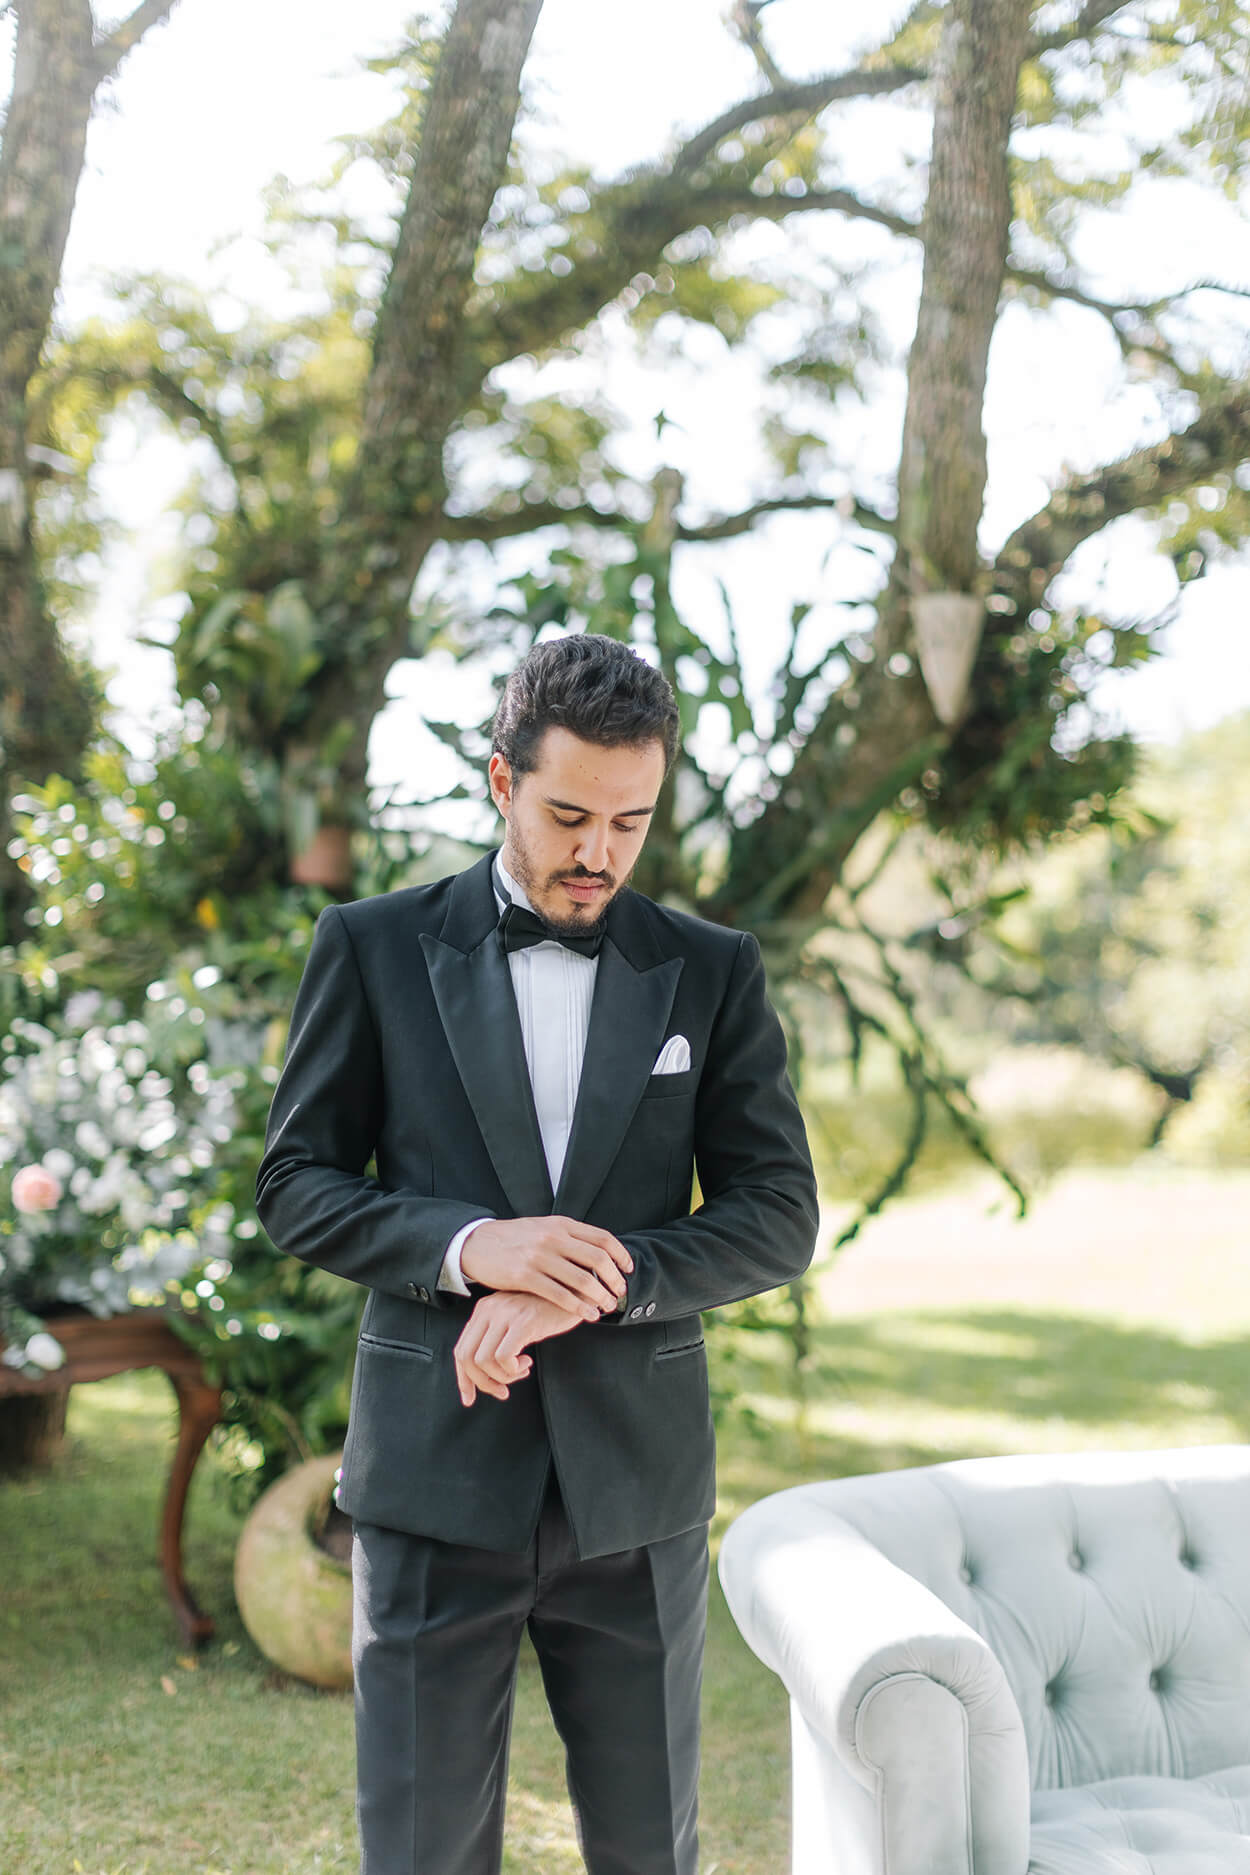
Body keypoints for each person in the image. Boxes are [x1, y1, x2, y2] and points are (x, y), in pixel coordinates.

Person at [255, 632, 819, 1875]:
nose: (599, 853)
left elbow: (777, 1212)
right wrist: (473, 1248)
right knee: (420, 1852)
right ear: (503, 782)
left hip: (635, 1494)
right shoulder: (372, 946)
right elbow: (294, 1186)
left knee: (647, 1852)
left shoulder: (711, 971)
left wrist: (587, 1283)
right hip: (431, 1479)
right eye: (569, 816)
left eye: (631, 821)